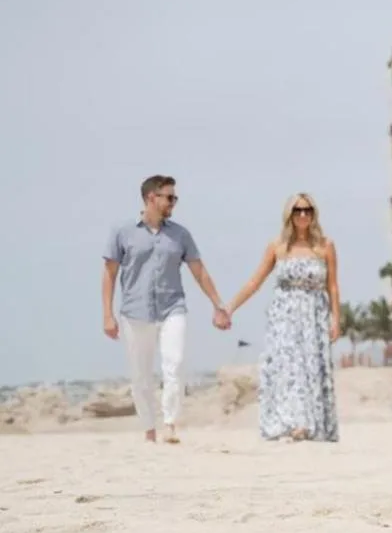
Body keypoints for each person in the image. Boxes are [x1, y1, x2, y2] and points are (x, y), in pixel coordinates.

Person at [102, 175, 230, 443]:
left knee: (175, 363)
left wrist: (218, 304)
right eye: (170, 197)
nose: (174, 202)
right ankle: (149, 429)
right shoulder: (122, 232)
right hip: (134, 312)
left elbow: (199, 271)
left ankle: (170, 423)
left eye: (175, 198)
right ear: (151, 197)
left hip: (173, 307)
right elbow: (110, 274)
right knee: (141, 375)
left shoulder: (180, 235)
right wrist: (107, 315)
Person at [224, 193, 340, 442]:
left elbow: (332, 286)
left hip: (314, 316)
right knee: (288, 368)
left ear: (314, 214)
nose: (303, 215)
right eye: (298, 210)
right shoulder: (277, 247)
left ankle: (308, 423)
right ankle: (293, 423)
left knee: (311, 368)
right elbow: (255, 282)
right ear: (289, 215)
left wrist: (336, 319)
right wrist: (230, 307)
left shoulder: (325, 246)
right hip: (284, 317)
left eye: (308, 210)